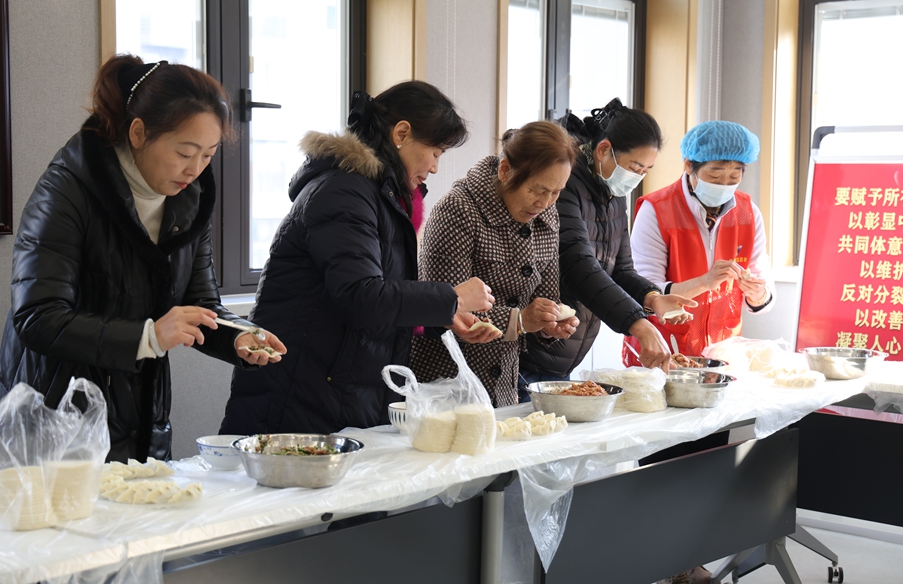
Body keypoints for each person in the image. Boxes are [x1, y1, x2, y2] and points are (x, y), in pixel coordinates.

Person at [0, 54, 285, 463]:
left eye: (208, 154)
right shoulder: (67, 190)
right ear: (137, 133)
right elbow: (37, 317)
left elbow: (201, 305)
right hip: (55, 413)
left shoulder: (191, 199)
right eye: (185, 151)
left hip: (141, 412)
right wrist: (148, 337)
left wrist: (239, 336)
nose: (196, 169)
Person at [219, 82, 494, 435]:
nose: (436, 168)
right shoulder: (344, 192)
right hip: (303, 393)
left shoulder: (379, 196)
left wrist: (443, 315)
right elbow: (361, 296)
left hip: (339, 391)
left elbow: (384, 293)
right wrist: (450, 298)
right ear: (402, 133)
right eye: (436, 152)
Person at [519, 99, 697, 400]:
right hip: (534, 349)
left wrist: (653, 298)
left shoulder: (613, 192)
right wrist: (639, 325)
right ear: (603, 150)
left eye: (646, 170)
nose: (638, 177)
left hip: (564, 356)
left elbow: (621, 270)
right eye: (635, 167)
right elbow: (578, 266)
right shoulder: (565, 184)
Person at [408, 121, 580, 407]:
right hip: (445, 383)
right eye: (537, 190)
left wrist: (551, 323)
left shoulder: (548, 217)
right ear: (504, 171)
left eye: (556, 192)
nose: (545, 203)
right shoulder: (458, 210)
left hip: (504, 384)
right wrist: (521, 320)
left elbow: (546, 297)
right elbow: (445, 310)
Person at [623, 120, 775, 366]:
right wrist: (704, 282)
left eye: (735, 175)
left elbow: (762, 280)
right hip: (664, 351)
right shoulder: (657, 210)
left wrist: (759, 294)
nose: (724, 184)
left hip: (723, 355)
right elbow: (644, 291)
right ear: (688, 165)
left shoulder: (748, 212)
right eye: (714, 174)